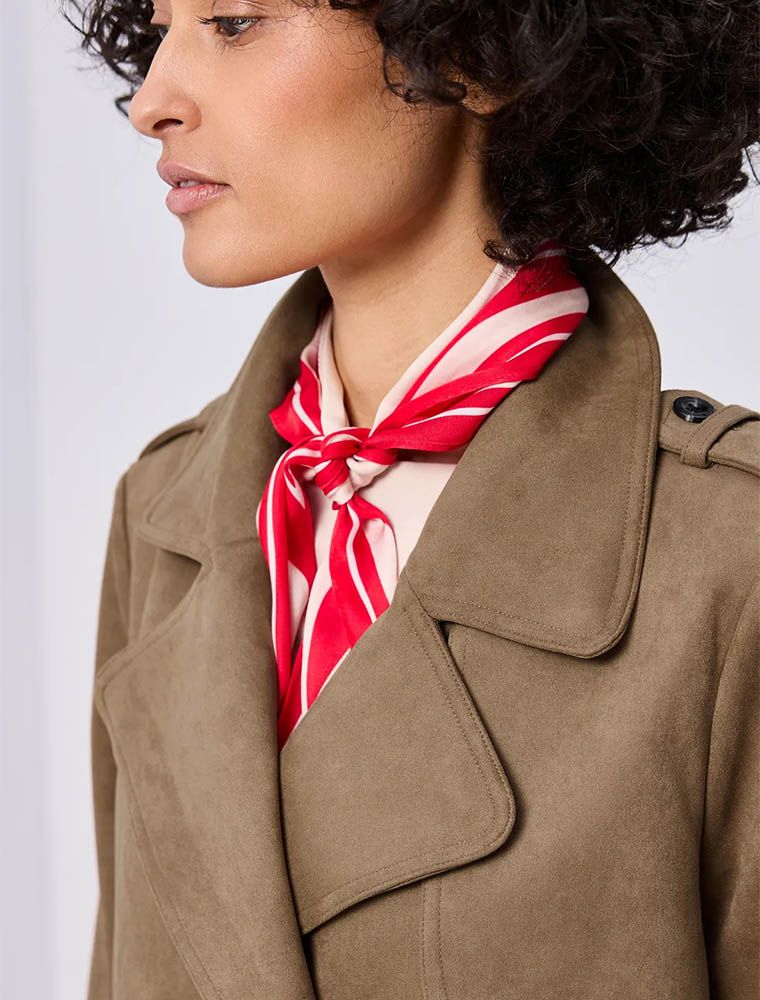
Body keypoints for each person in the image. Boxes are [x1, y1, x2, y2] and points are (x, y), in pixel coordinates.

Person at [62, 1, 759, 997]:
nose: (151, 103)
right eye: (159, 27)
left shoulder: (728, 554)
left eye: (233, 22)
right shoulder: (162, 520)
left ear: (478, 53)